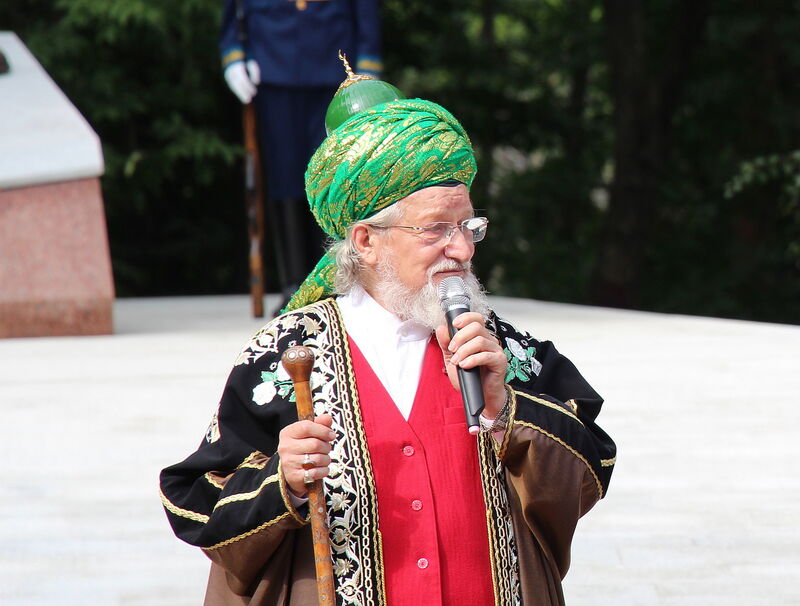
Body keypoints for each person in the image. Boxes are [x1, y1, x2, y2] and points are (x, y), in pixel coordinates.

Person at [160, 95, 616, 606]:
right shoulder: (286, 358)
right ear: (366, 241)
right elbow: (196, 501)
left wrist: (506, 409)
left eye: (469, 227)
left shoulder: (503, 351)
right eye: (437, 229)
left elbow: (594, 464)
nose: (463, 249)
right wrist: (281, 483)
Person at [219, 0, 383, 312]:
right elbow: (233, 21)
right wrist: (234, 59)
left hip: (336, 80)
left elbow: (365, 18)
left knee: (338, 179)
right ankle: (293, 283)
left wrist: (368, 74)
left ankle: (339, 280)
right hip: (272, 76)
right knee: (283, 180)